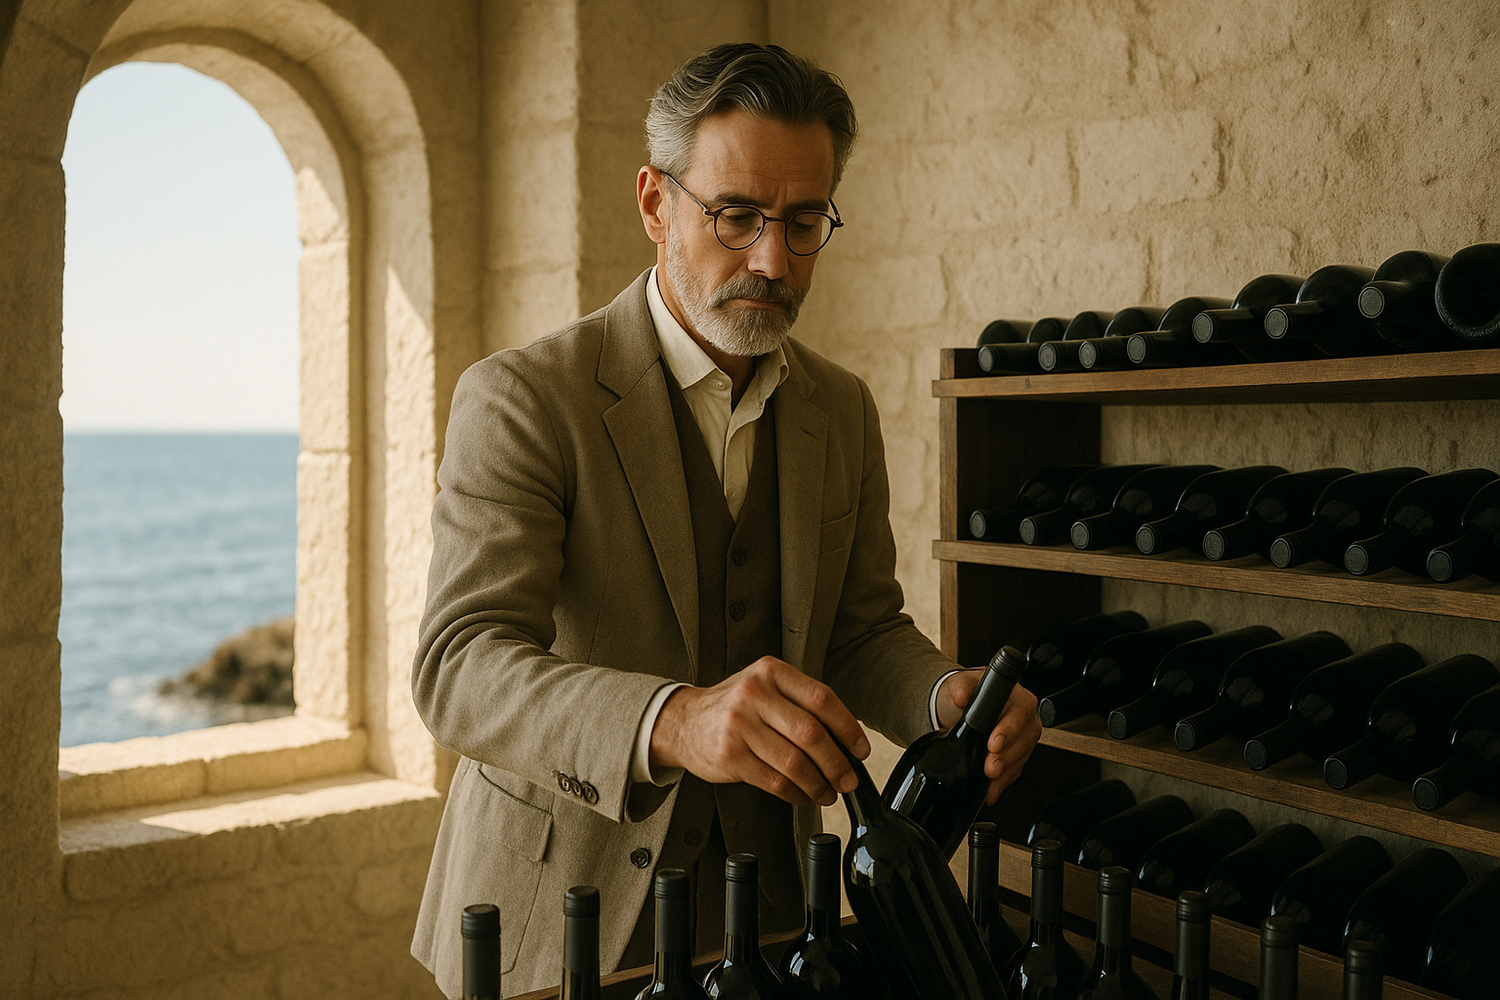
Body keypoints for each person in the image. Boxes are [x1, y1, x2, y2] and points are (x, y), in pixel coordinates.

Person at [410, 42, 1041, 998]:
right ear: (656, 204)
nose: (772, 260)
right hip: (560, 921)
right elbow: (457, 664)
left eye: (803, 221)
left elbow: (859, 628)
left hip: (771, 915)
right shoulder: (522, 398)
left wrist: (939, 697)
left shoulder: (843, 408)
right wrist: (675, 720)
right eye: (736, 216)